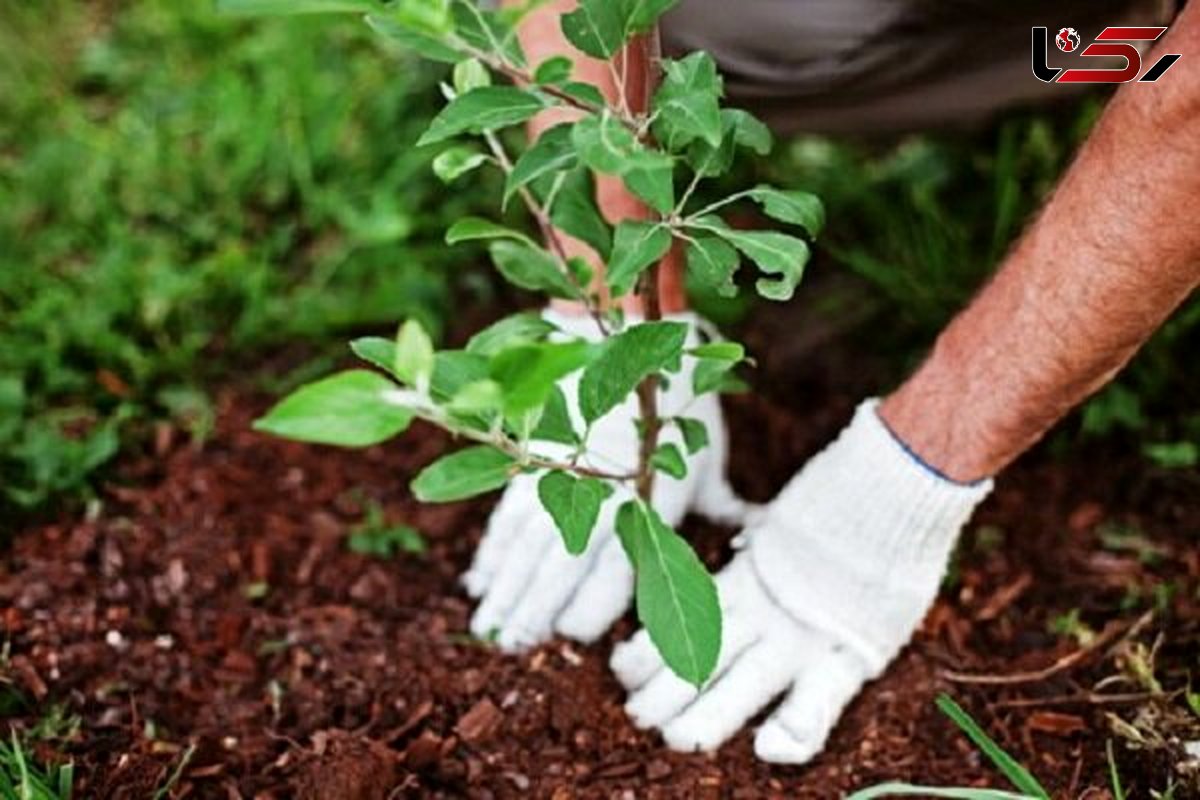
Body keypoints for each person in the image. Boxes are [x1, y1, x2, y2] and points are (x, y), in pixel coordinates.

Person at [463, 0, 1200, 764]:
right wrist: (617, 321)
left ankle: (1131, 60)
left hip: (1124, 32)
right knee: (693, 30)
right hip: (985, 43)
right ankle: (1111, 64)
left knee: (1167, 60)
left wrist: (910, 479)